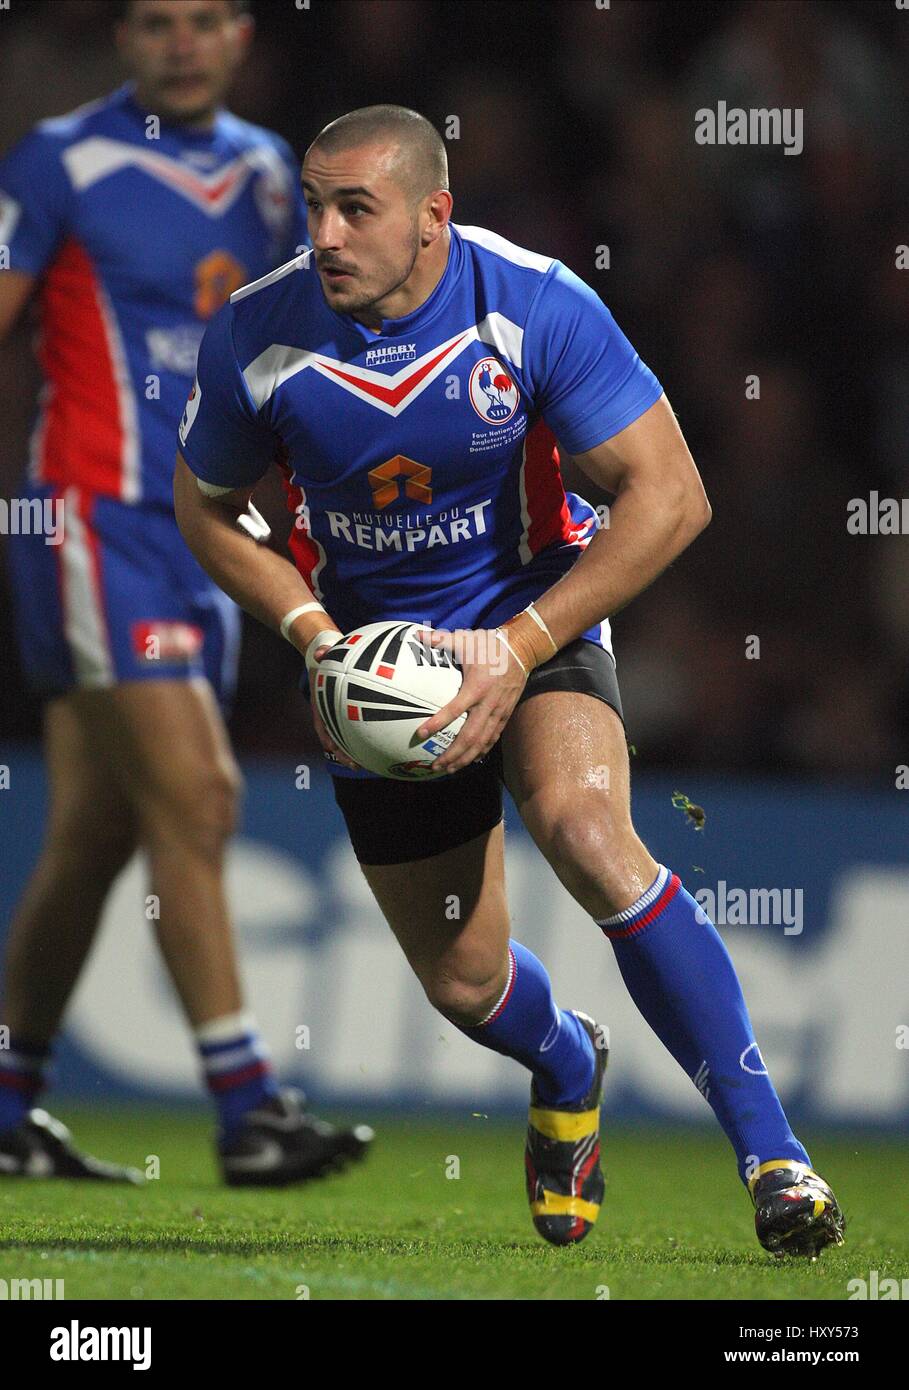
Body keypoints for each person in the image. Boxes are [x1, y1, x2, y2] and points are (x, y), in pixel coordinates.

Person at [173, 103, 843, 1254]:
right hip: (376, 670)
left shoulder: (531, 304)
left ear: (434, 216)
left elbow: (672, 495)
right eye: (314, 203)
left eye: (355, 208)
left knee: (589, 830)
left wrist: (522, 645)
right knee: (463, 980)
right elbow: (205, 510)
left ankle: (776, 1157)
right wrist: (313, 632)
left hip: (531, 616)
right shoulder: (256, 334)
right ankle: (567, 1056)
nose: (324, 233)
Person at [0, 0, 371, 1186]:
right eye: (156, 20)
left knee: (95, 832)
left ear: (243, 35)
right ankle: (249, 1108)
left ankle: (6, 1101)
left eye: (205, 19)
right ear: (124, 38)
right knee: (202, 793)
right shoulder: (61, 160)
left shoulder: (275, 178)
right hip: (89, 517)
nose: (181, 41)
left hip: (211, 530)